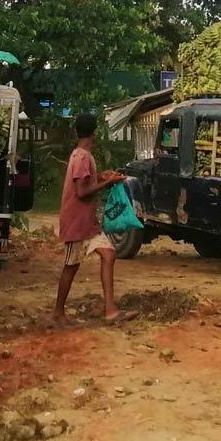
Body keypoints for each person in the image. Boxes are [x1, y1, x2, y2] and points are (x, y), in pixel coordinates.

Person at [52, 114, 137, 325]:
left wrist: (102, 177)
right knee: (71, 266)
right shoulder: (82, 157)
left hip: (86, 223)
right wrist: (107, 183)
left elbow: (85, 183)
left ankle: (110, 310)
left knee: (109, 254)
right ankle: (58, 312)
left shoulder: (81, 155)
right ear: (94, 133)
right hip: (76, 222)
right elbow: (82, 192)